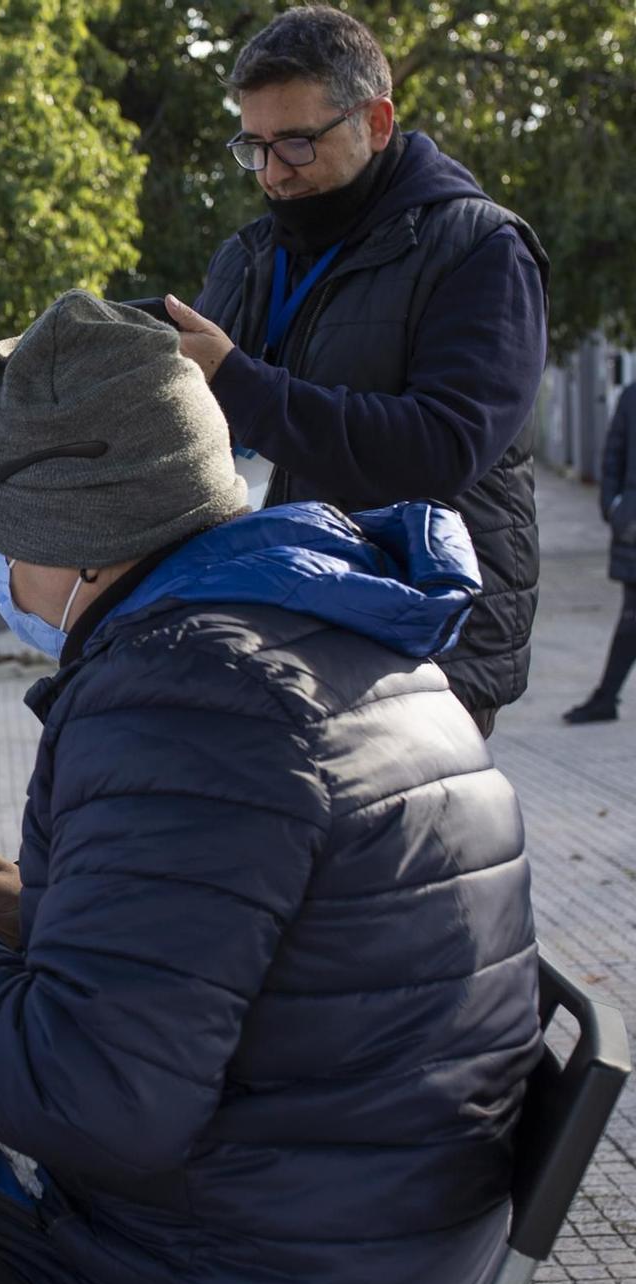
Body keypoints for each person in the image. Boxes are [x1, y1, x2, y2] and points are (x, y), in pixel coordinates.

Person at [0, 292, 539, 1284]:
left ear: (76, 533)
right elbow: (259, 943)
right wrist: (50, 914)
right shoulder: (321, 630)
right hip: (360, 1226)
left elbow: (94, 1102)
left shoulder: (188, 694)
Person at [167, 5, 549, 736]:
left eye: (299, 144)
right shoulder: (244, 256)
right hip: (276, 625)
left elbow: (443, 447)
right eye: (255, 146)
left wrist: (241, 382)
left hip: (422, 641)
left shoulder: (481, 250)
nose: (275, 173)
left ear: (376, 122)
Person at [565, 383, 636, 724]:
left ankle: (606, 697)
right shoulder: (632, 396)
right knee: (631, 618)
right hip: (634, 528)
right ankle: (606, 697)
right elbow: (613, 454)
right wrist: (614, 506)